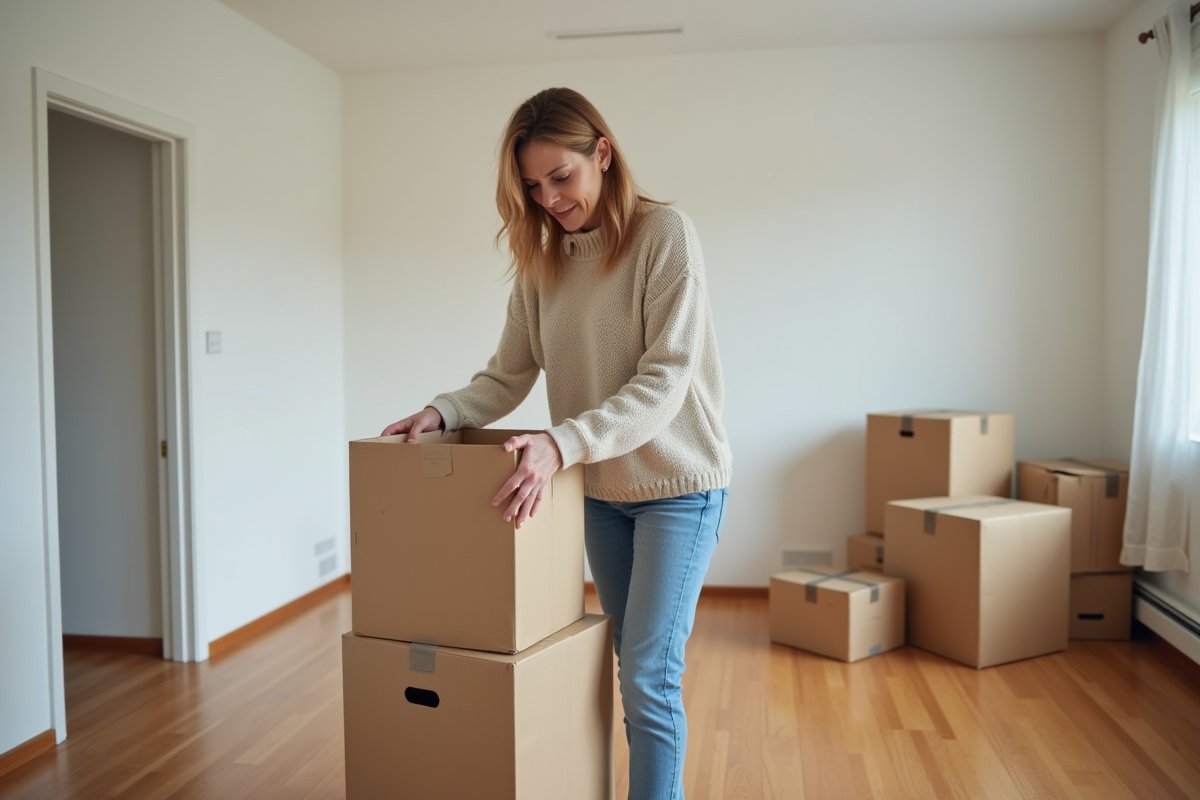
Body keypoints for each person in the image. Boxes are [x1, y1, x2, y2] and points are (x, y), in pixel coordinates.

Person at [382, 87, 731, 800]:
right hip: (600, 490)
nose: (548, 199)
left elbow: (665, 379)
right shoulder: (541, 262)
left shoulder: (665, 236)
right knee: (625, 657)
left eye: (560, 178)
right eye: (533, 187)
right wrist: (441, 413)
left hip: (679, 488)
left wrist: (560, 441)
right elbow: (506, 375)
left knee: (650, 670)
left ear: (601, 152)